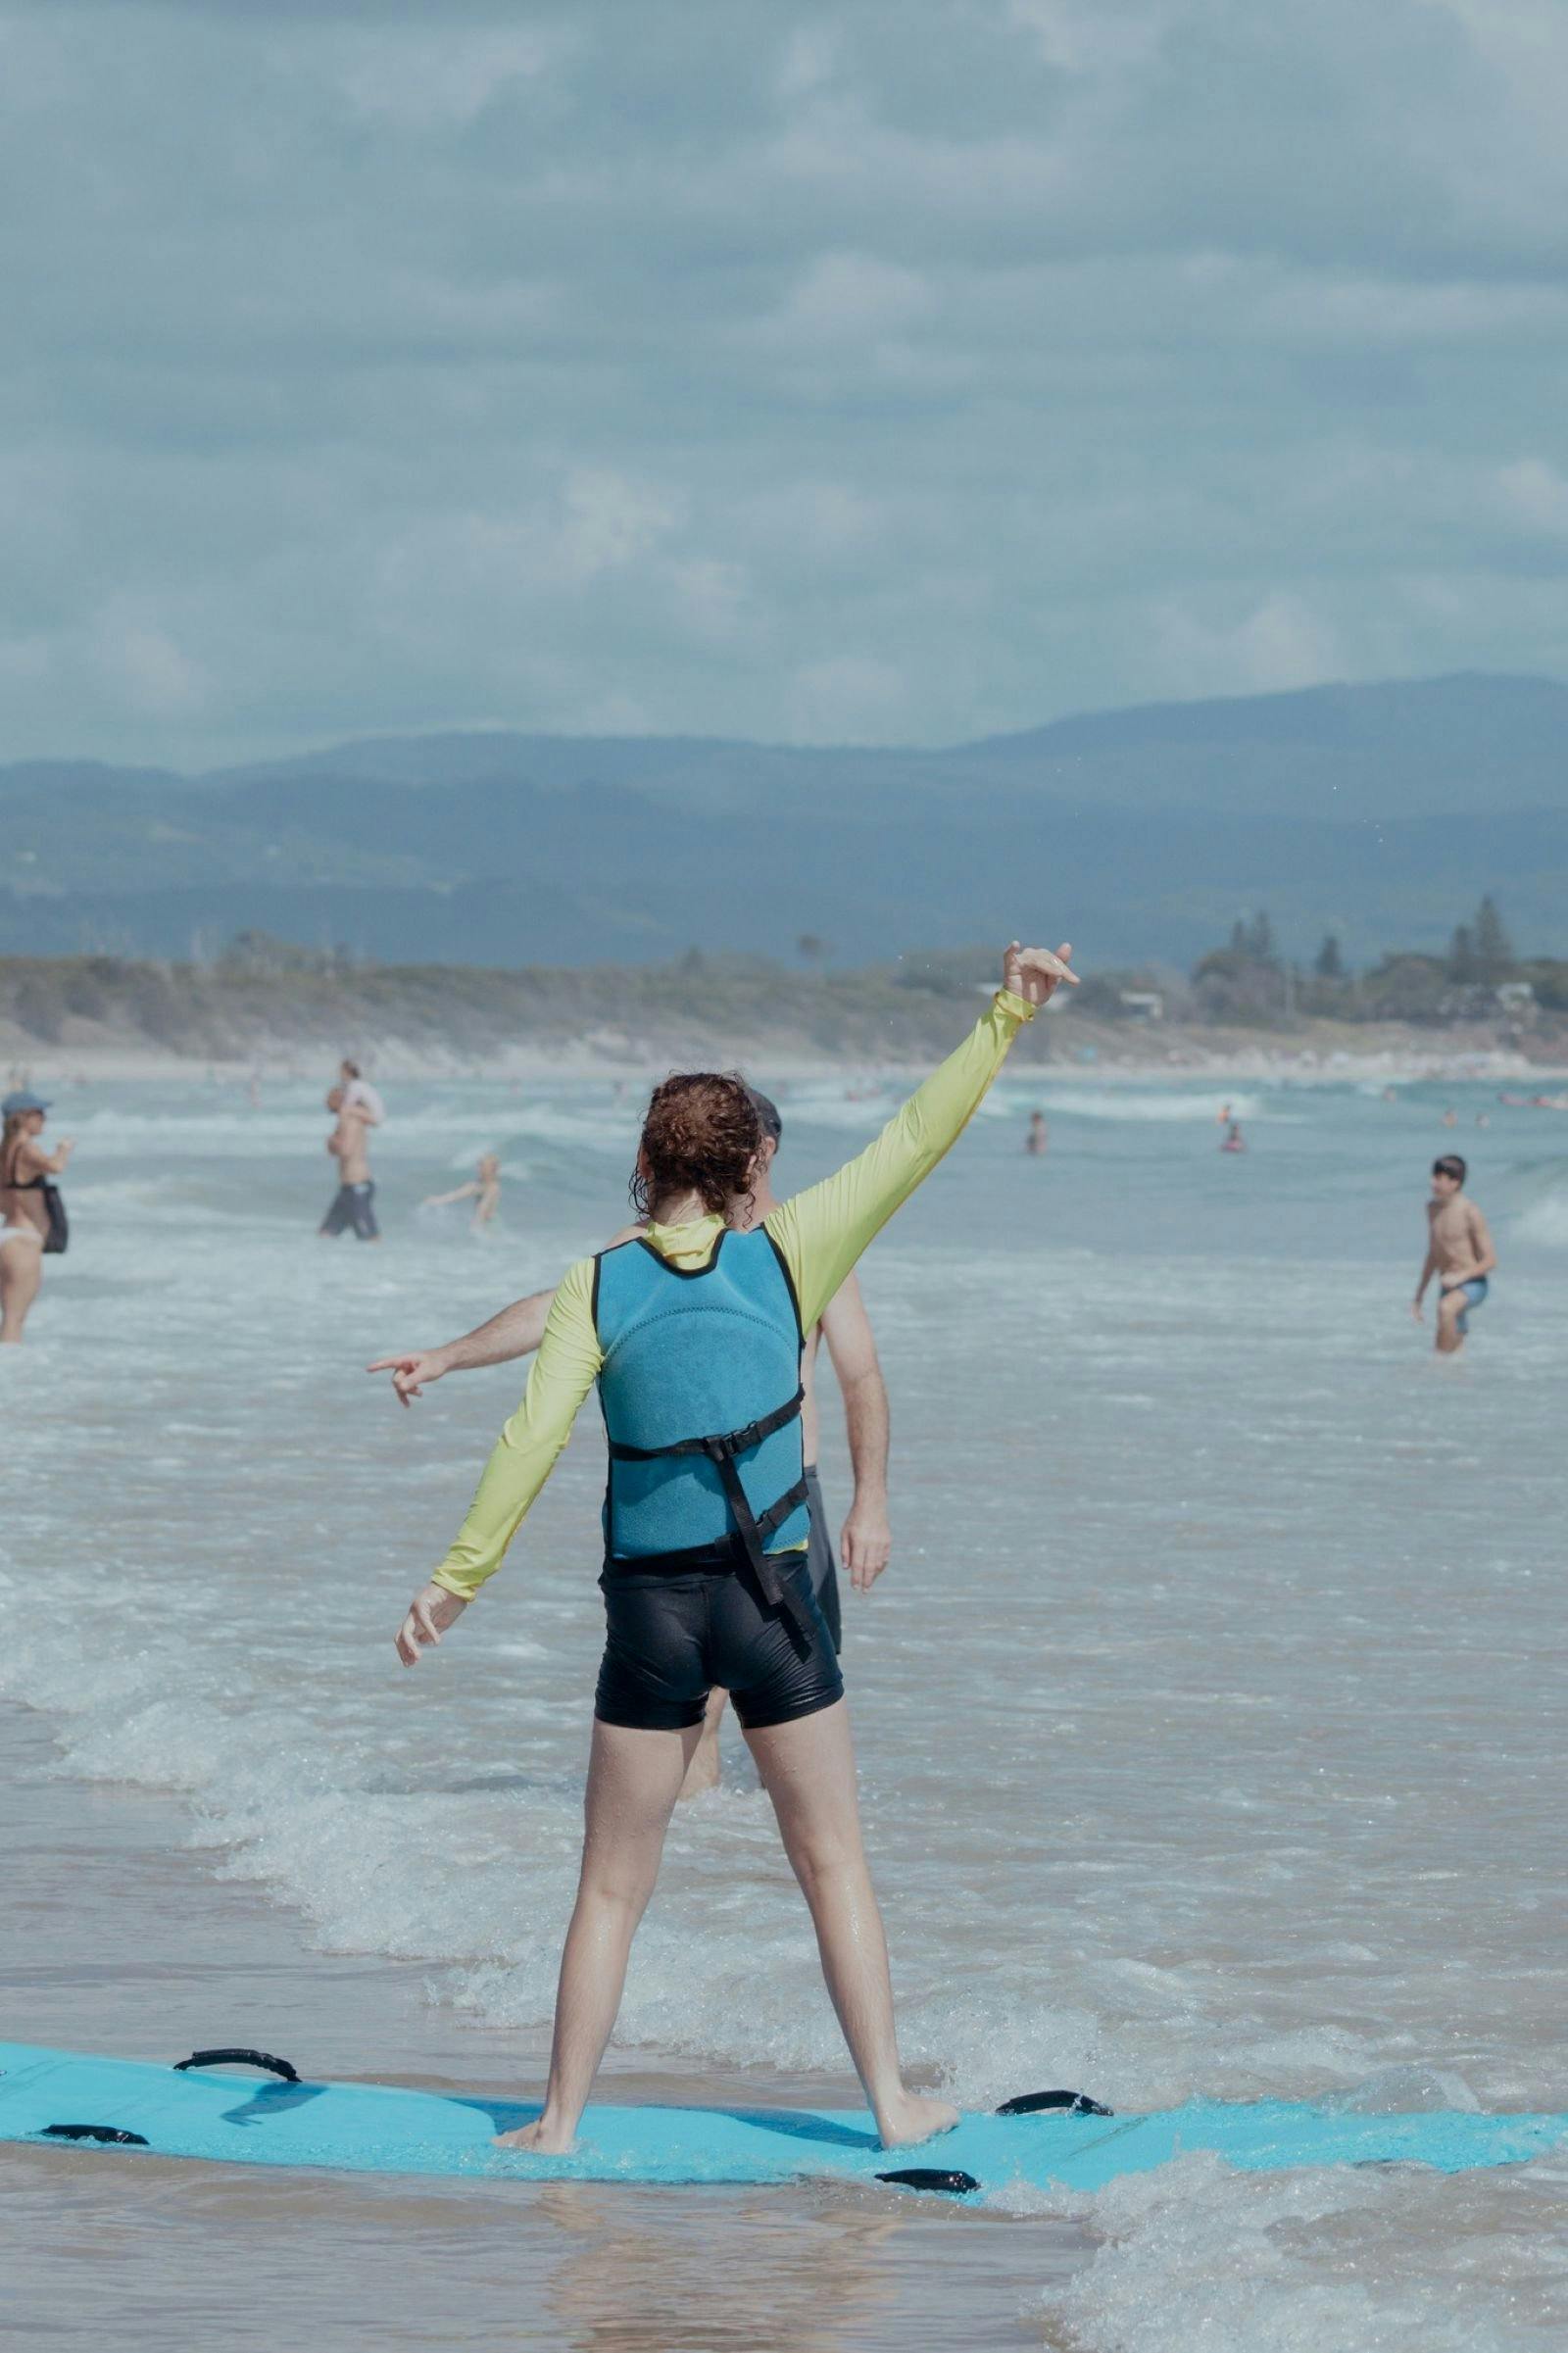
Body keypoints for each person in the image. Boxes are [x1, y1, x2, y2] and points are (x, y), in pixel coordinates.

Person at [393, 939, 1076, 2157]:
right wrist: (1005, 1015)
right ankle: (892, 2108)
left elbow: (529, 1440)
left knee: (610, 1884)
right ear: (752, 1164)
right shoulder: (798, 1244)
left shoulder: (591, 1284)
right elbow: (917, 1138)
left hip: (651, 1617)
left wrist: (457, 1583)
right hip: (776, 1605)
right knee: (833, 1867)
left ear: (647, 1164)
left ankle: (555, 2122)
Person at [373, 1089, 893, 1799]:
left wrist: (872, 1500)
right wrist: (449, 1355)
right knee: (702, 1709)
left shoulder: (807, 1247)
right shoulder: (642, 1246)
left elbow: (859, 1374)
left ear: (759, 1151)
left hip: (787, 1500)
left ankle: (750, 1858)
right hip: (684, 1506)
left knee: (794, 1714)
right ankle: (704, 1849)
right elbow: (559, 1307)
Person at [0, 1090, 73, 1345]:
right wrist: (63, 1149)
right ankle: (9, 1373)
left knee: (9, 1315)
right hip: (24, 1240)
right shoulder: (26, 1148)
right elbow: (56, 1167)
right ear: (23, 1117)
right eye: (39, 1113)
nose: (44, 1119)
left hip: (8, 1234)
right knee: (14, 1318)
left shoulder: (4, 1151)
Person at [1412, 1153, 1496, 1355]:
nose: (1433, 1182)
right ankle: (1451, 1382)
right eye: (1433, 1177)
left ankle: (1437, 1368)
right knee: (1454, 1347)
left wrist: (1461, 1276)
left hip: (1473, 1284)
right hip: (1447, 1286)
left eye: (1439, 1178)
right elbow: (1433, 1254)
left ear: (1455, 1182)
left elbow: (1491, 1260)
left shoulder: (1470, 1211)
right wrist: (1419, 1295)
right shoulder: (1432, 1208)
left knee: (1446, 1309)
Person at [318, 1064, 382, 1242]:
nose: (326, 1101)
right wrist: (332, 1143)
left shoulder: (351, 1121)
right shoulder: (343, 1121)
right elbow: (334, 1152)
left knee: (370, 1238)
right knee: (326, 1235)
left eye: (330, 1098)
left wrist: (333, 1142)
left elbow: (346, 1150)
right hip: (347, 1188)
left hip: (358, 1186)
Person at [421, 1152, 504, 1233]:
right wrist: (438, 1200)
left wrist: (477, 1223)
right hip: (484, 1223)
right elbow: (456, 1195)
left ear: (492, 1169)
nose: (479, 1168)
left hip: (491, 1225)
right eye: (479, 1165)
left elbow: (484, 1205)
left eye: (483, 1165)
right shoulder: (476, 1185)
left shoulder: (493, 1187)